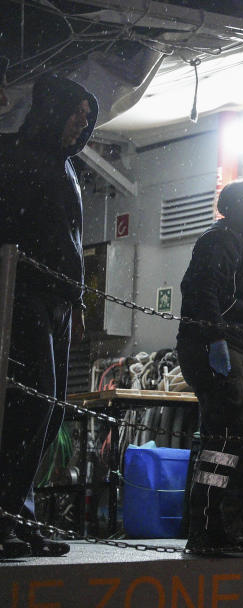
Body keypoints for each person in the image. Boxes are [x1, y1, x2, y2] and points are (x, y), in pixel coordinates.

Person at [0, 74, 97, 558]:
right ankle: (8, 516)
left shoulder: (67, 169)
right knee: (28, 406)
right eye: (75, 114)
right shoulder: (18, 159)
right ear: (53, 111)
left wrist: (76, 303)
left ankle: (21, 514)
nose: (81, 124)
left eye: (85, 117)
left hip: (56, 300)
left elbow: (71, 243)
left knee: (52, 407)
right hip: (23, 296)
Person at [177, 180, 243, 554]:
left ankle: (221, 528)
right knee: (222, 441)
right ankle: (204, 529)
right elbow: (203, 292)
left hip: (236, 346)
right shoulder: (220, 241)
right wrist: (216, 340)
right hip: (216, 346)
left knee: (228, 442)